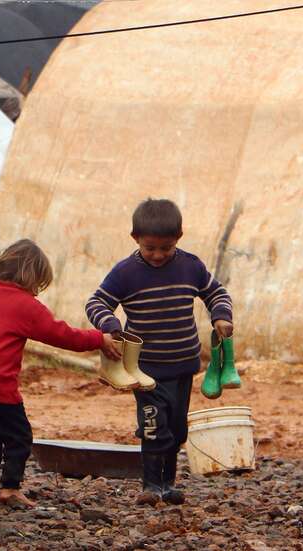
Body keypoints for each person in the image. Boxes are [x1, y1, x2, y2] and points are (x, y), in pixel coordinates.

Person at [0, 239, 120, 507]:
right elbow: (63, 335)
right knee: (19, 436)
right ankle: (10, 487)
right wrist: (99, 339)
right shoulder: (27, 306)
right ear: (33, 278)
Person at [85, 198, 234, 506]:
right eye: (150, 248)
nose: (157, 255)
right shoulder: (126, 273)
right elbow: (96, 303)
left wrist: (221, 316)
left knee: (177, 429)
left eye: (165, 248)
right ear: (135, 238)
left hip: (182, 366)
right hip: (145, 370)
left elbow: (215, 292)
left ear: (178, 238)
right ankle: (151, 486)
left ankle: (168, 484)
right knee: (154, 427)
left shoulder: (190, 266)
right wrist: (110, 324)